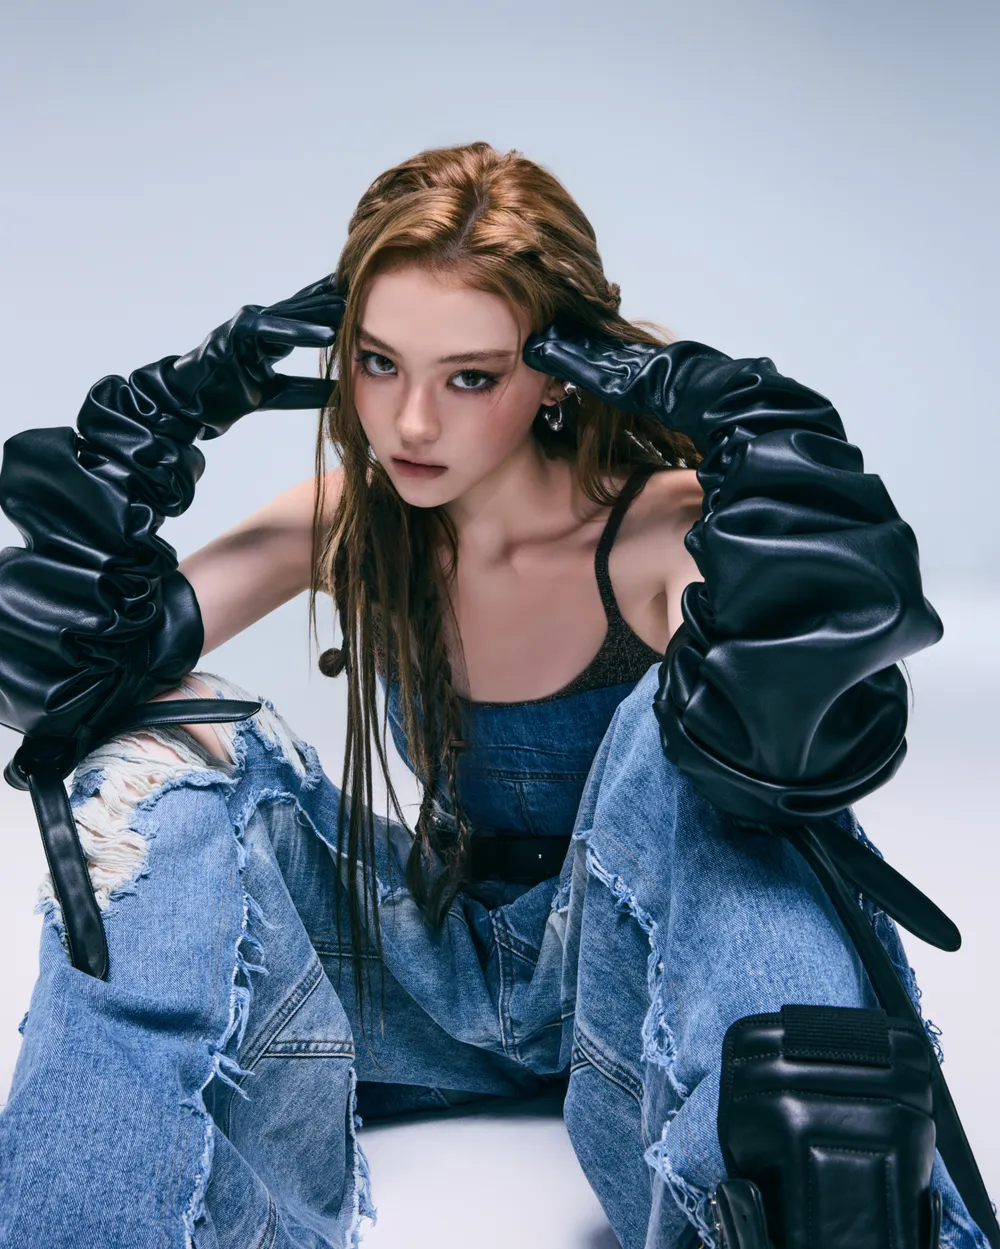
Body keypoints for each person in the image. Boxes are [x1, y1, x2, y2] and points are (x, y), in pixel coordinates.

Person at [0, 141, 991, 1249]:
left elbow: (790, 737)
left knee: (701, 740)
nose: (411, 423)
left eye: (470, 376)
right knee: (160, 748)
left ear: (560, 373)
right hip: (426, 974)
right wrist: (170, 413)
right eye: (379, 364)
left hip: (635, 982)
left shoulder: (663, 534)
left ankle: (828, 1221)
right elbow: (75, 678)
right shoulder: (352, 519)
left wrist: (754, 433)